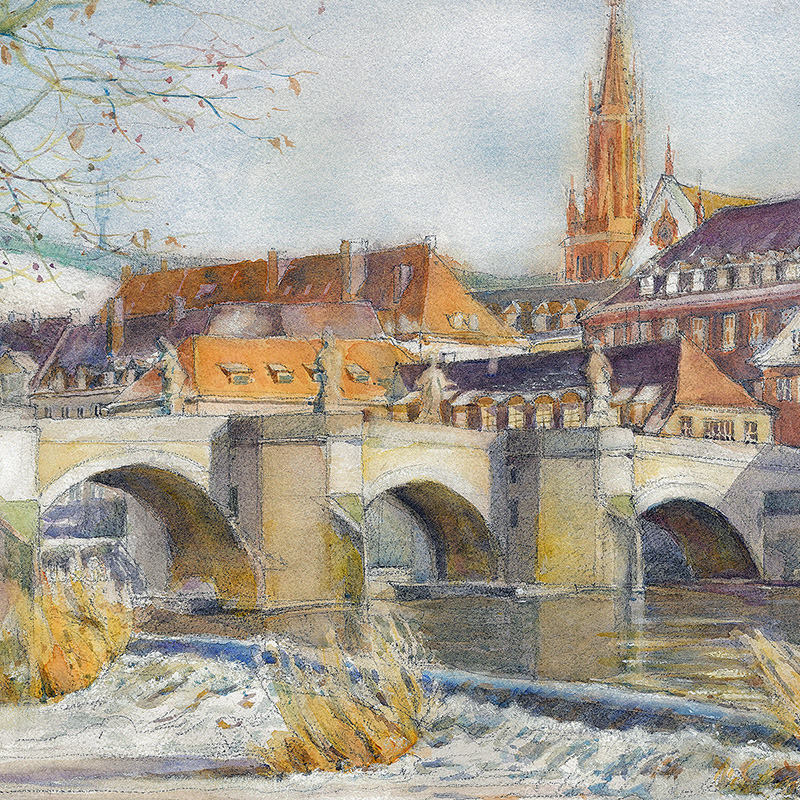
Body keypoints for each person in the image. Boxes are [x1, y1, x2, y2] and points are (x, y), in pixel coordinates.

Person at [584, 340, 615, 427]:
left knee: (601, 401)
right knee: (599, 402)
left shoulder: (599, 357)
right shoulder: (595, 357)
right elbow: (591, 373)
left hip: (601, 383)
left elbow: (608, 371)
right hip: (598, 384)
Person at [313, 329, 343, 412]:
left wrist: (319, 363)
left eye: (323, 339)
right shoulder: (335, 352)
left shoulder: (326, 352)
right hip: (329, 379)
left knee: (327, 390)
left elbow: (323, 364)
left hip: (328, 378)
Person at [414, 355, 451, 423]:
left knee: (428, 405)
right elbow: (443, 383)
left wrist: (417, 382)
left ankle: (428, 419)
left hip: (429, 390)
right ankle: (433, 420)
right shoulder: (437, 372)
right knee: (433, 406)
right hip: (434, 391)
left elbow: (420, 382)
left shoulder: (427, 372)